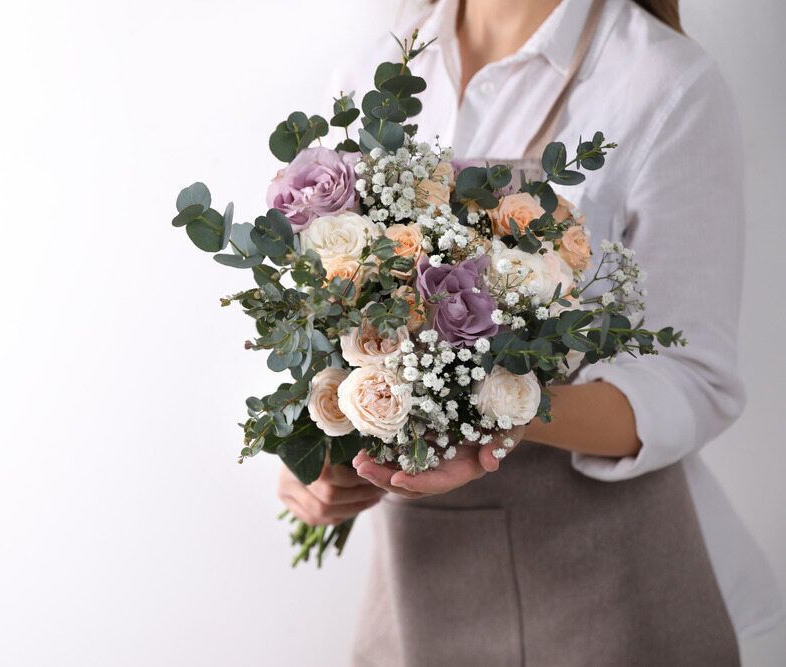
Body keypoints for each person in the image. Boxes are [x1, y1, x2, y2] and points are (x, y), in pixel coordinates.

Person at [276, 0, 784, 664]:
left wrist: (497, 413)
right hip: (416, 585)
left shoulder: (662, 82)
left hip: (604, 587)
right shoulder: (380, 63)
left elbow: (694, 379)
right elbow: (329, 302)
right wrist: (329, 454)